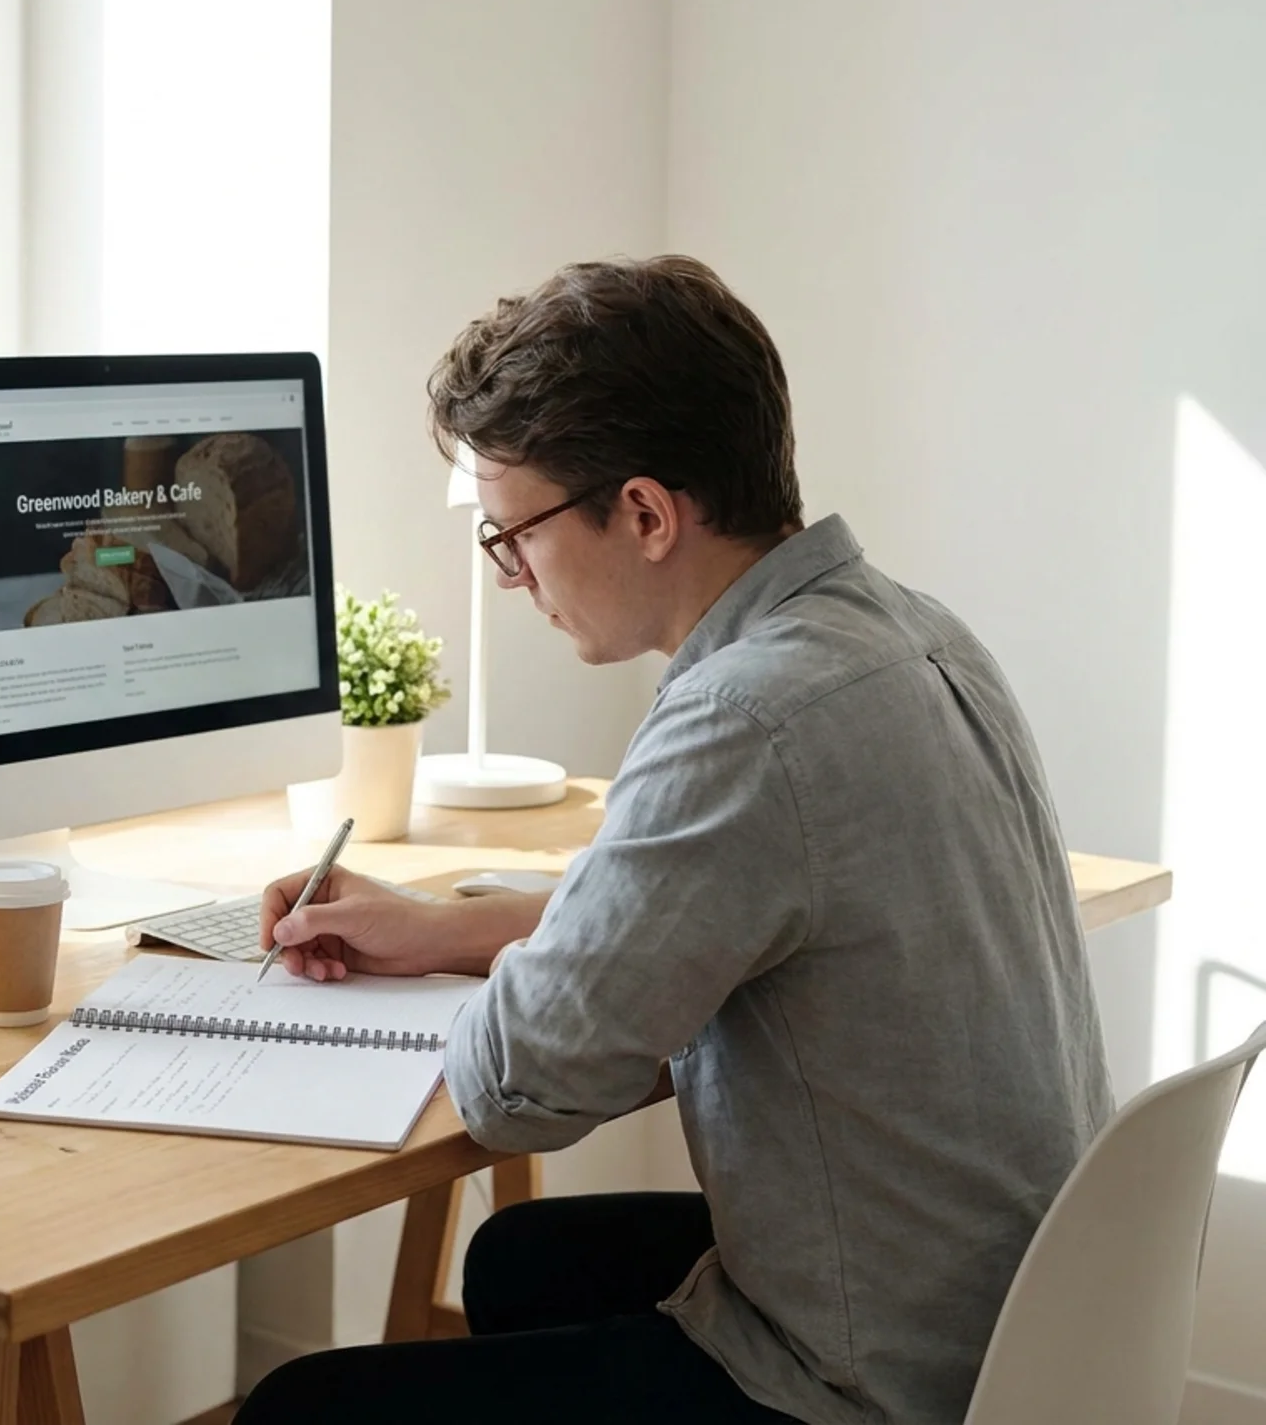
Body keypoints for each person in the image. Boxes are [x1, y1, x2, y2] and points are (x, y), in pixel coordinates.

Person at [236, 257, 1110, 1425]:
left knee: (301, 1404)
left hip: (867, 1378)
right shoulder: (905, 628)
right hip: (1015, 1311)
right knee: (519, 1261)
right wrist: (448, 929)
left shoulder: (740, 716)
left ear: (644, 513)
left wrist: (496, 979)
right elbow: (717, 915)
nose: (511, 578)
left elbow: (517, 1085)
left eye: (511, 536)